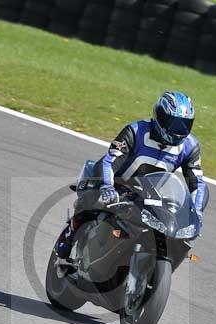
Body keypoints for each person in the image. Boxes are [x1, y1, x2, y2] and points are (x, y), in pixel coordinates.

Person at [56, 91, 207, 259]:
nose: (178, 130)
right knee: (95, 195)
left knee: (173, 231)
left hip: (150, 195)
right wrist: (107, 186)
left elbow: (197, 183)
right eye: (172, 123)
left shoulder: (190, 146)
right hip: (118, 185)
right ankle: (71, 232)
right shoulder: (136, 131)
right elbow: (109, 161)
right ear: (159, 117)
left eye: (185, 124)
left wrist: (197, 211)